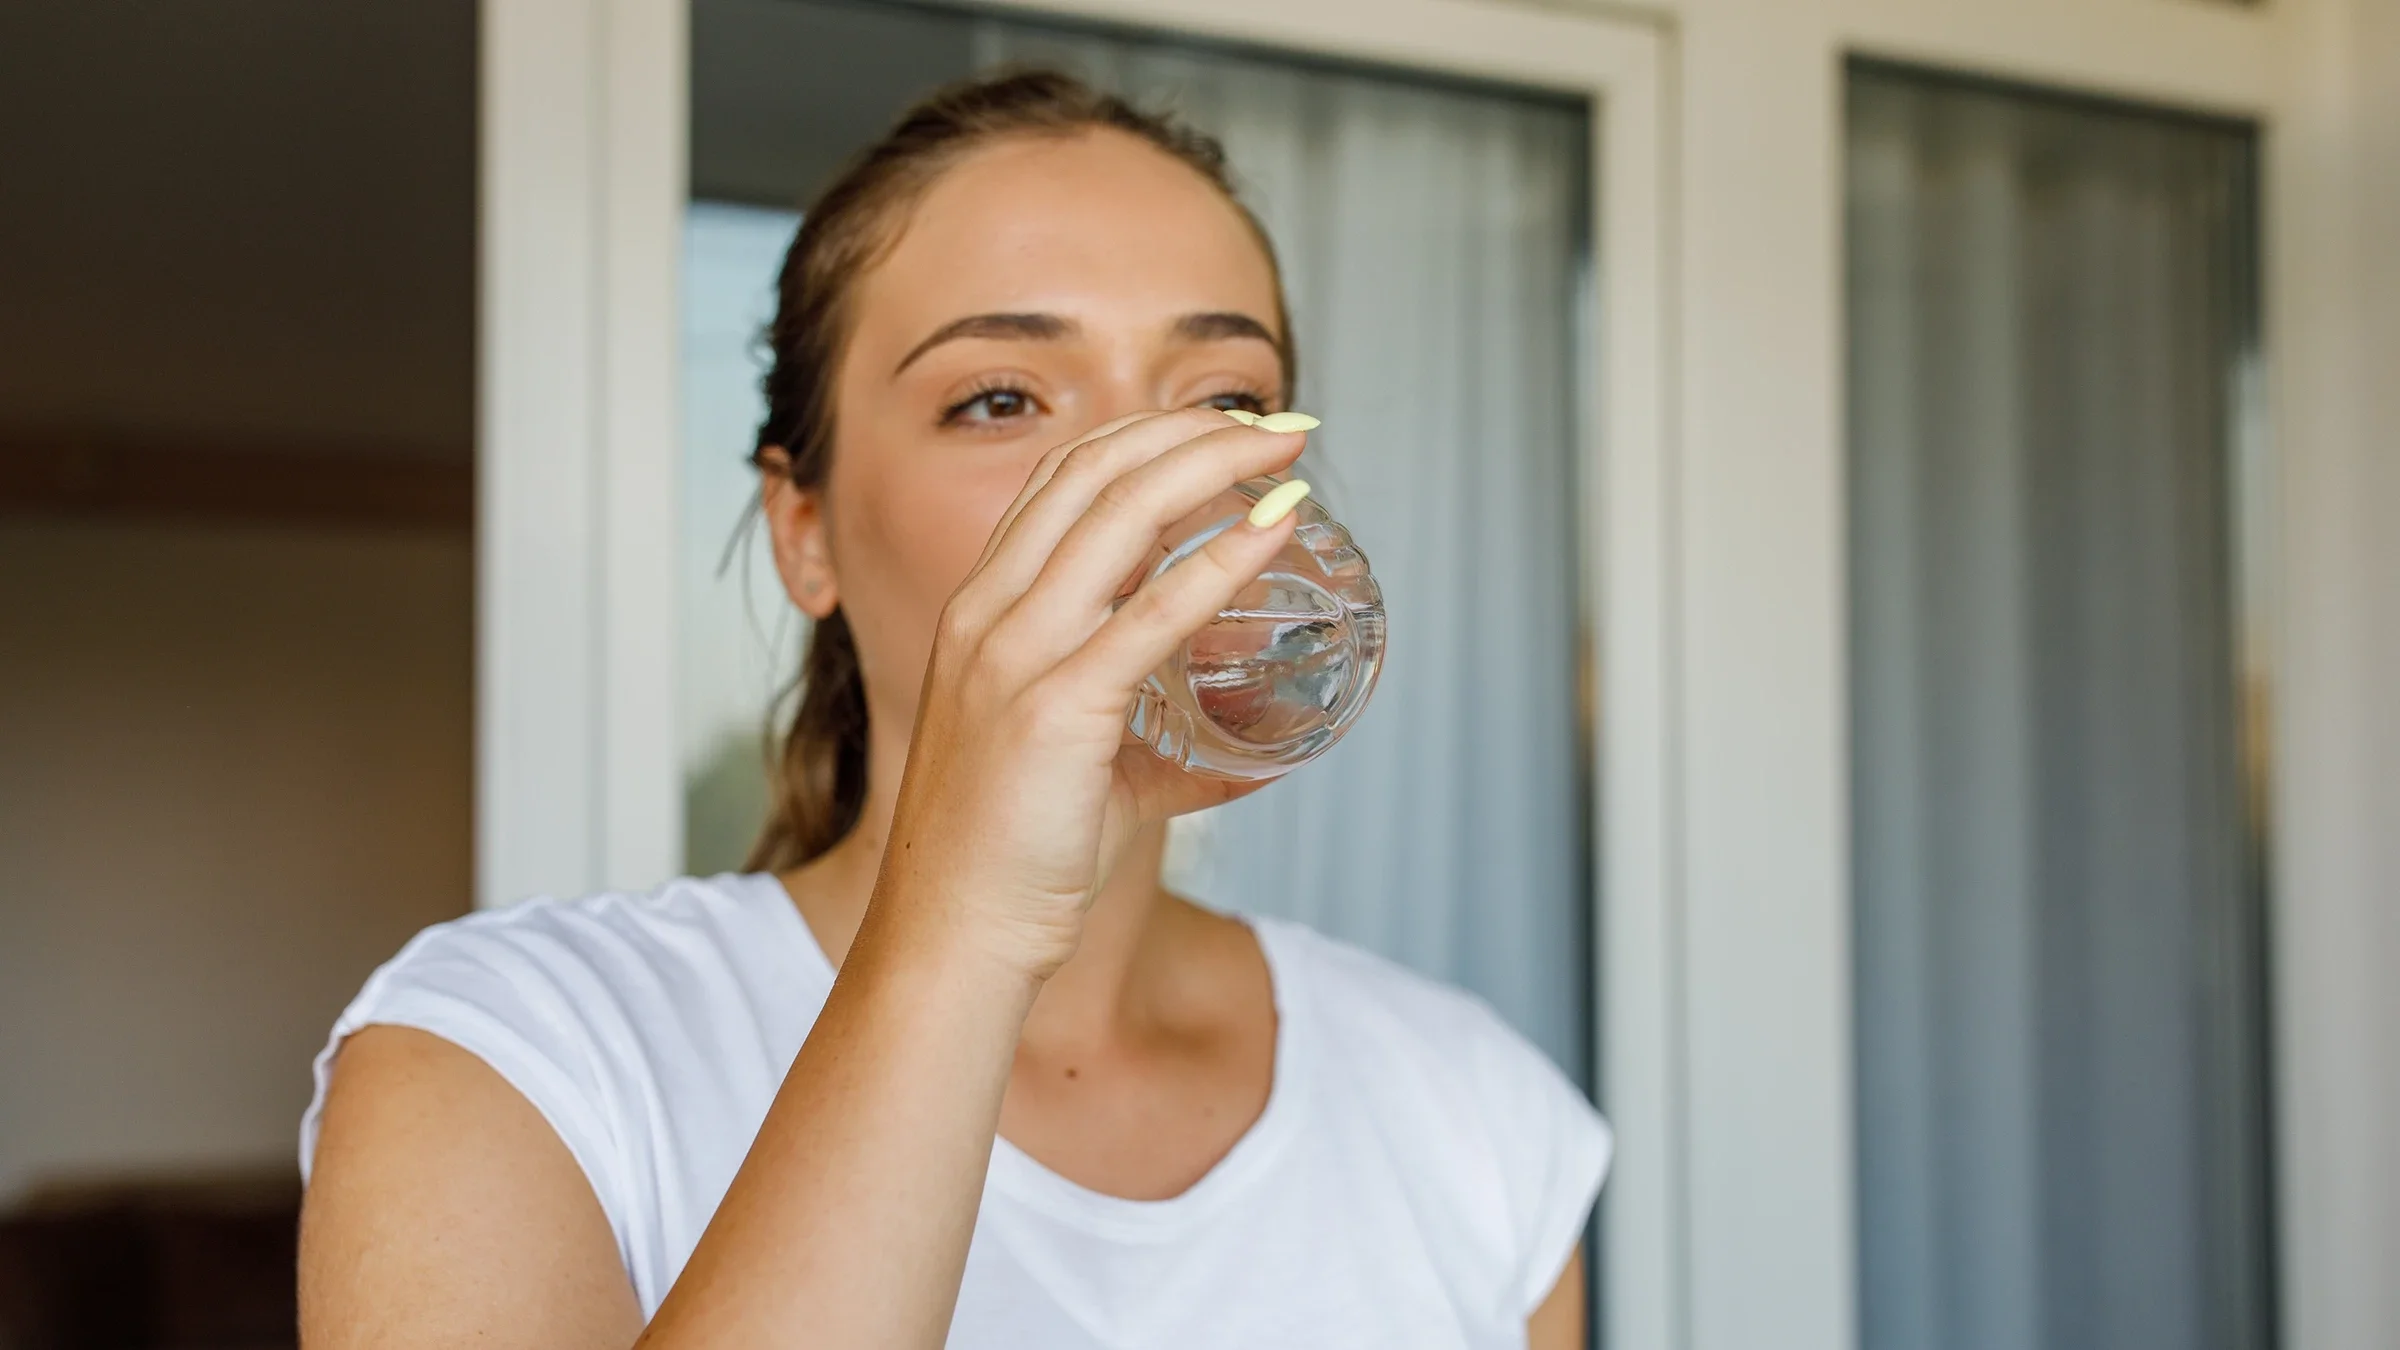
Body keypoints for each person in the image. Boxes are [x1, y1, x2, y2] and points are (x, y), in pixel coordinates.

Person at [297, 70, 1610, 1349]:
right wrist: (965, 935)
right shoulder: (517, 1056)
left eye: (1224, 402)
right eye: (1000, 399)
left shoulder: (1473, 1111)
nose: (1139, 482)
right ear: (802, 529)